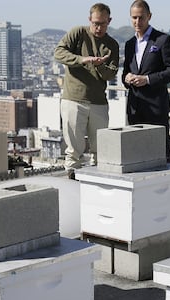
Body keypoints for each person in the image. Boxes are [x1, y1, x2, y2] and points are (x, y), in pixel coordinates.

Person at [55, 3, 119, 177]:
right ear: (89, 19)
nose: (98, 28)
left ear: (109, 21)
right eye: (96, 23)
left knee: (100, 147)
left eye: (103, 24)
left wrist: (99, 65)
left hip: (98, 101)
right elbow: (59, 53)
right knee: (74, 148)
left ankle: (99, 180)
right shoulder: (78, 33)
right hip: (74, 98)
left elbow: (111, 74)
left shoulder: (112, 44)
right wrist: (83, 60)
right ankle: (72, 177)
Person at [122, 0, 170, 163]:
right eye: (134, 18)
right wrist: (126, 78)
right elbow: (125, 72)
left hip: (156, 107)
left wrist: (147, 79)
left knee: (162, 151)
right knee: (137, 151)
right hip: (135, 107)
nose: (137, 22)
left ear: (149, 16)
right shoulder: (129, 44)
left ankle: (168, 186)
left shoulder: (162, 40)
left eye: (141, 17)